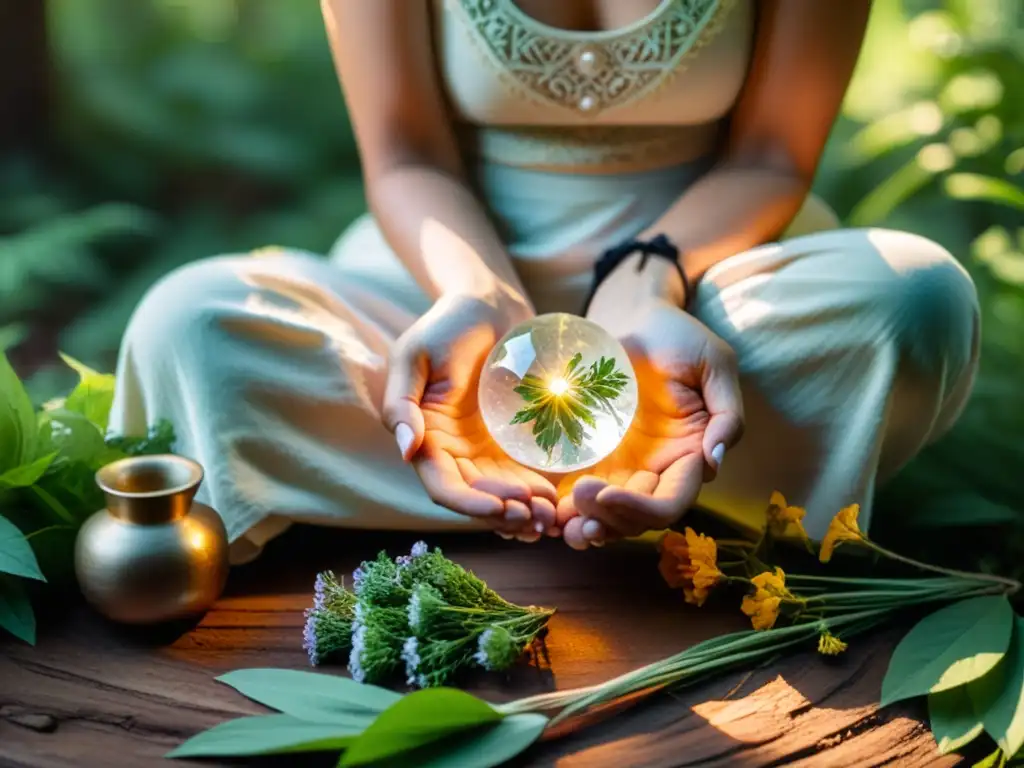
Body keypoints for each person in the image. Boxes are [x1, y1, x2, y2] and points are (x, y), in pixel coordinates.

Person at [109, 0, 979, 565]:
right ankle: (677, 494)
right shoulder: (465, 297)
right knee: (189, 322)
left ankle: (474, 490)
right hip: (447, 287)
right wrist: (482, 300)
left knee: (915, 299)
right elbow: (405, 154)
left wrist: (644, 284)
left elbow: (771, 156)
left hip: (705, 293)